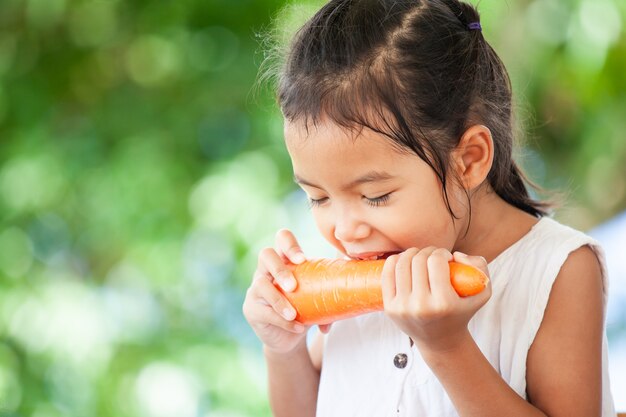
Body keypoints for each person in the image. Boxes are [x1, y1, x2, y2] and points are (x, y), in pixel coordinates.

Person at [242, 0, 616, 415]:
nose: (345, 231)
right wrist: (283, 347)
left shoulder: (559, 270)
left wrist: (447, 346)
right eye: (318, 198)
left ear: (469, 160)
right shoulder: (362, 267)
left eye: (375, 196)